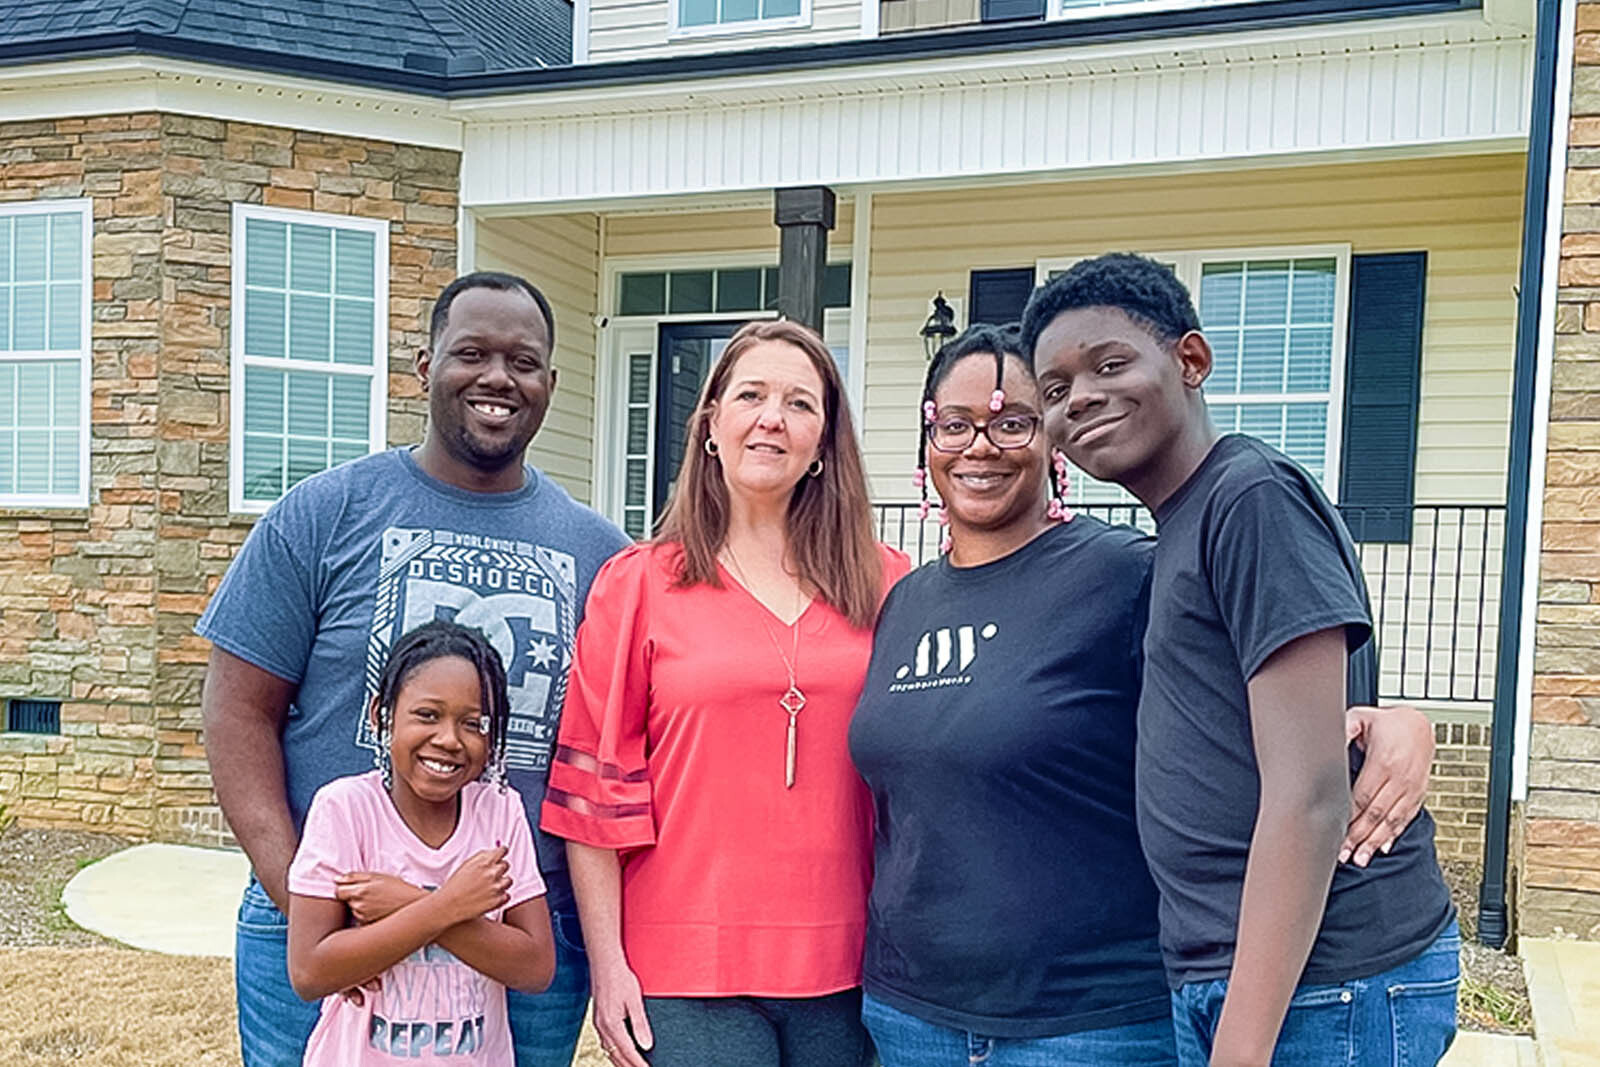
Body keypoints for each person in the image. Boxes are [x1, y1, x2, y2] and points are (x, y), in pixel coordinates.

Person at [849, 325, 1436, 1067]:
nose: (981, 445)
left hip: (1091, 1022)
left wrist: (1396, 722)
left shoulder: (1127, 575)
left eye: (1013, 421)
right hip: (910, 1017)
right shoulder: (903, 603)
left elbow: (1280, 685)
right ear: (927, 438)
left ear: (1054, 441)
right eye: (955, 424)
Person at [1025, 253, 1458, 1067]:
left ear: (1191, 361)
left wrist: (1242, 1047)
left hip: (1321, 982)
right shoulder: (1185, 526)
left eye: (1109, 364)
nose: (1079, 397)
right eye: (1054, 391)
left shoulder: (1248, 496)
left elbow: (1309, 794)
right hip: (1239, 977)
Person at [198, 271, 631, 1067]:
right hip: (333, 915)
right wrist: (306, 897)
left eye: (523, 361)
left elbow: (621, 754)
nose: (498, 377)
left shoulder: (602, 554)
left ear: (551, 384)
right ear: (424, 366)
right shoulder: (324, 514)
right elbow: (236, 710)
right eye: (471, 353)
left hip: (521, 931)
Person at [539, 319, 908, 1067]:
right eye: (751, 394)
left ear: (824, 442)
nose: (773, 416)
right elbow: (590, 798)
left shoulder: (890, 584)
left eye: (801, 403)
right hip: (685, 965)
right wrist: (608, 965)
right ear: (712, 423)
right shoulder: (638, 583)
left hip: (854, 962)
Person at [286, 620, 555, 1064]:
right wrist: (445, 905)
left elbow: (535, 967)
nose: (450, 740)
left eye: (473, 723)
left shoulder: (500, 812)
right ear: (381, 715)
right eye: (427, 715)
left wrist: (405, 902)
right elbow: (310, 970)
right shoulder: (346, 809)